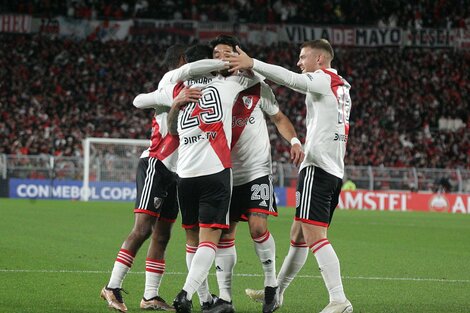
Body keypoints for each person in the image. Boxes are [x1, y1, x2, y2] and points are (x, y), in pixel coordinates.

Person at [225, 39, 353, 313]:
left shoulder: (322, 79)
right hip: (333, 169)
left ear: (319, 60)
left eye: (303, 56)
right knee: (299, 236)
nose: (299, 62)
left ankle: (339, 299)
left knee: (315, 235)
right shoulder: (340, 86)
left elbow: (292, 79)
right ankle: (277, 292)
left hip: (318, 168)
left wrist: (253, 63)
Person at [208, 35, 304, 313]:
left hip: (256, 170)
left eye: (227, 52)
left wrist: (295, 141)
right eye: (216, 53)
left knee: (258, 227)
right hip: (223, 173)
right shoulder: (208, 89)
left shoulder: (255, 86)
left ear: (238, 56)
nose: (221, 57)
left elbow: (279, 118)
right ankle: (225, 299)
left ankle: (271, 287)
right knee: (225, 235)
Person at [100, 44, 186, 312]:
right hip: (156, 164)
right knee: (142, 229)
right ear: (183, 61)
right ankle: (112, 287)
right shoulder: (170, 86)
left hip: (178, 171)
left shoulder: (193, 90)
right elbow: (138, 100)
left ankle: (150, 295)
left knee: (163, 235)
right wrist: (169, 99)